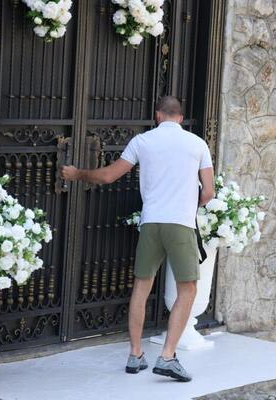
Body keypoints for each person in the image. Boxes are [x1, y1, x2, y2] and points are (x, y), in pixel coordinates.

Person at [60, 96, 214, 382]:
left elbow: (108, 176)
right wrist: (189, 203)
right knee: (188, 289)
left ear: (158, 115)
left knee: (142, 287)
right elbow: (208, 192)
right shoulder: (197, 144)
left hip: (151, 221)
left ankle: (135, 354)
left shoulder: (142, 141)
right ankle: (167, 356)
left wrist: (77, 173)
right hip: (180, 224)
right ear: (181, 118)